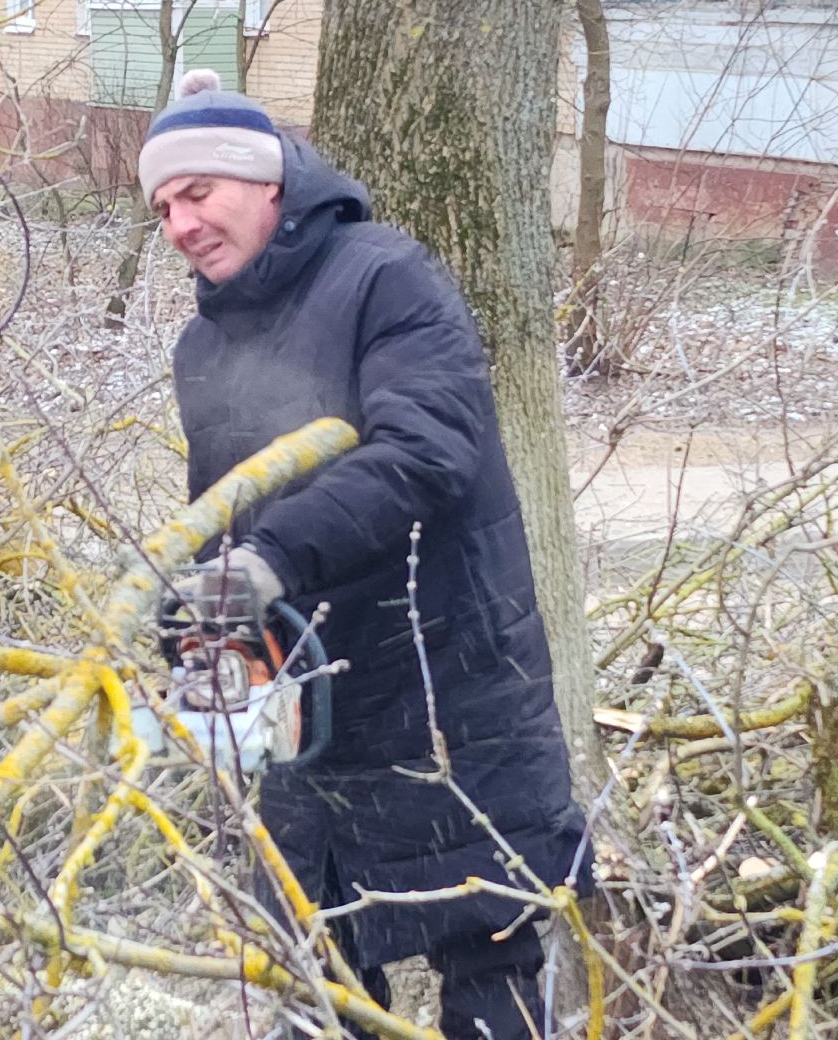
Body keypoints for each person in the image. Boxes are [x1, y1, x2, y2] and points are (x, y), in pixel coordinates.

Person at [141, 69, 593, 1039]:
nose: (180, 224)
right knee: (314, 968)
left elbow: (427, 452)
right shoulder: (202, 346)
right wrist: (193, 620)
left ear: (264, 182)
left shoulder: (384, 276)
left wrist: (269, 561)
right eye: (163, 207)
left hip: (446, 689)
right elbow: (222, 514)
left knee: (494, 950)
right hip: (310, 717)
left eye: (197, 193)